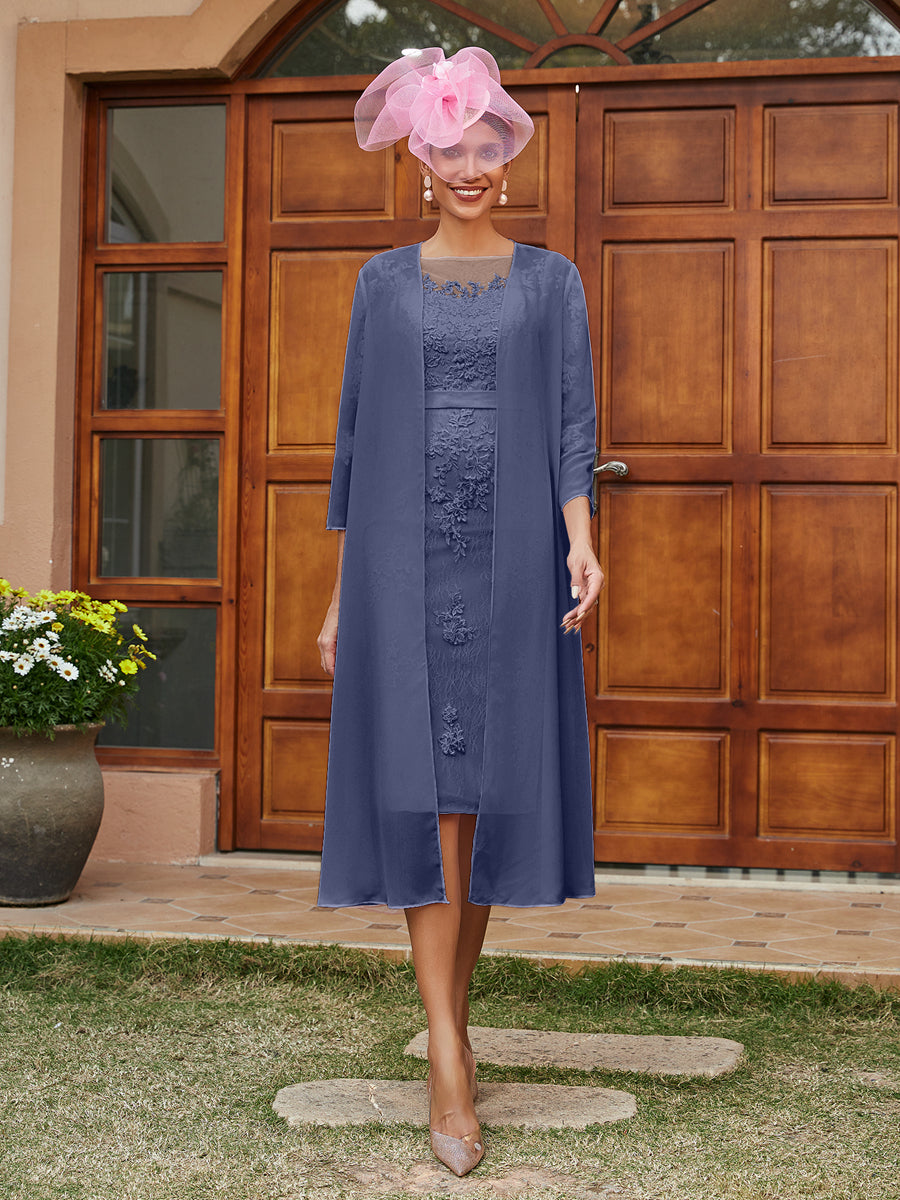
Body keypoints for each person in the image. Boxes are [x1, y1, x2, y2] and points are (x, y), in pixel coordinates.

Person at [315, 46, 604, 1178]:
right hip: (400, 567)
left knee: (481, 805)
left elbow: (573, 428)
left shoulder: (553, 281)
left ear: (507, 161)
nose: (471, 167)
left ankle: (453, 1025)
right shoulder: (381, 284)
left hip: (516, 565)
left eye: (487, 148)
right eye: (450, 150)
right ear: (418, 165)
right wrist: (340, 596)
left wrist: (581, 541)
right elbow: (353, 442)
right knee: (426, 798)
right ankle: (447, 1053)